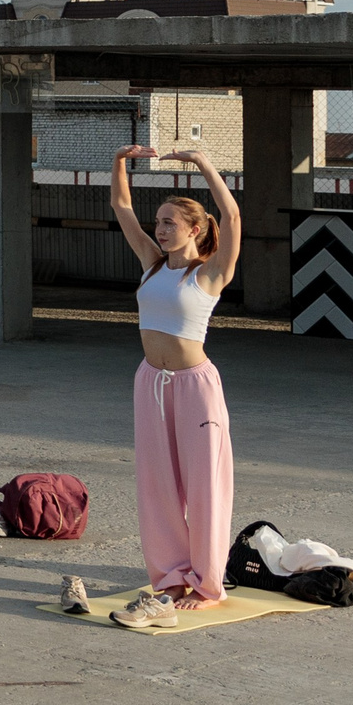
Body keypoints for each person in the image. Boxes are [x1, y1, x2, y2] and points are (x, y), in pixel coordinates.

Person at [104, 142, 243, 629]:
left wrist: (203, 162)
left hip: (195, 387)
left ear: (194, 229)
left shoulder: (210, 272)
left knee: (204, 486)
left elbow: (232, 215)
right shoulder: (152, 264)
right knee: (157, 484)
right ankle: (170, 577)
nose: (159, 230)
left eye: (169, 223)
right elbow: (122, 206)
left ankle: (207, 584)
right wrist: (120, 161)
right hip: (150, 382)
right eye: (158, 222)